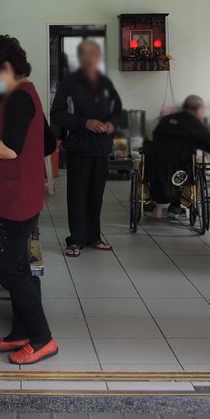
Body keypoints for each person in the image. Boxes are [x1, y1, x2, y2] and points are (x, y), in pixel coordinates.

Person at [0, 35, 58, 365]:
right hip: (17, 191)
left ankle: (43, 338)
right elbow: (46, 142)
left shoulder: (19, 98)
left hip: (18, 196)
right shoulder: (25, 94)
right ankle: (21, 331)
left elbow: (11, 149)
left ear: (5, 67)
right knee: (17, 264)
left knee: (8, 268)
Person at [50, 39, 123, 257]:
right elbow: (57, 115)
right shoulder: (69, 84)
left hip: (101, 148)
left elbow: (117, 110)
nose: (90, 58)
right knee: (77, 195)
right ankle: (76, 240)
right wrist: (85, 122)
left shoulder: (105, 83)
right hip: (79, 147)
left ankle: (93, 236)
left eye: (94, 53)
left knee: (96, 196)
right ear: (80, 58)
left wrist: (112, 124)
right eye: (86, 54)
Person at [150, 95, 210, 218]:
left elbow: (154, 138)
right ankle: (176, 205)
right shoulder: (194, 124)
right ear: (198, 109)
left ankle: (156, 203)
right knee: (187, 163)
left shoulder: (166, 120)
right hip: (181, 174)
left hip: (156, 174)